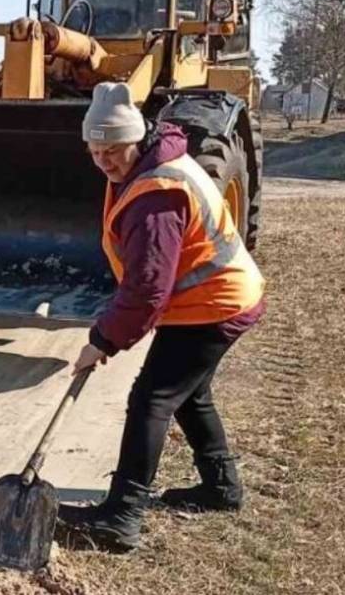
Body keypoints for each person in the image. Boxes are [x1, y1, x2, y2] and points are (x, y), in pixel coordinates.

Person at [57, 82, 266, 551]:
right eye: (95, 151)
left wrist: (104, 340)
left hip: (213, 305)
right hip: (214, 299)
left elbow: (147, 290)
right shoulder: (149, 166)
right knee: (190, 394)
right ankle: (221, 488)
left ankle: (122, 516)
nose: (105, 161)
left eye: (114, 149)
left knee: (151, 399)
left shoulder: (157, 195)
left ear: (137, 138)